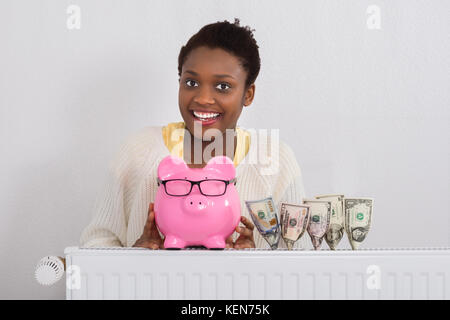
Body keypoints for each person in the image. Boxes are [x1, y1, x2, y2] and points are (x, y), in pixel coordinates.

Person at [80, 18, 309, 250]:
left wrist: (252, 259)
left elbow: (301, 262)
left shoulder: (275, 160)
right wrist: (138, 255)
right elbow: (95, 245)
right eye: (191, 82)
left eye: (223, 86)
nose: (202, 98)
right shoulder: (139, 151)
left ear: (248, 94)